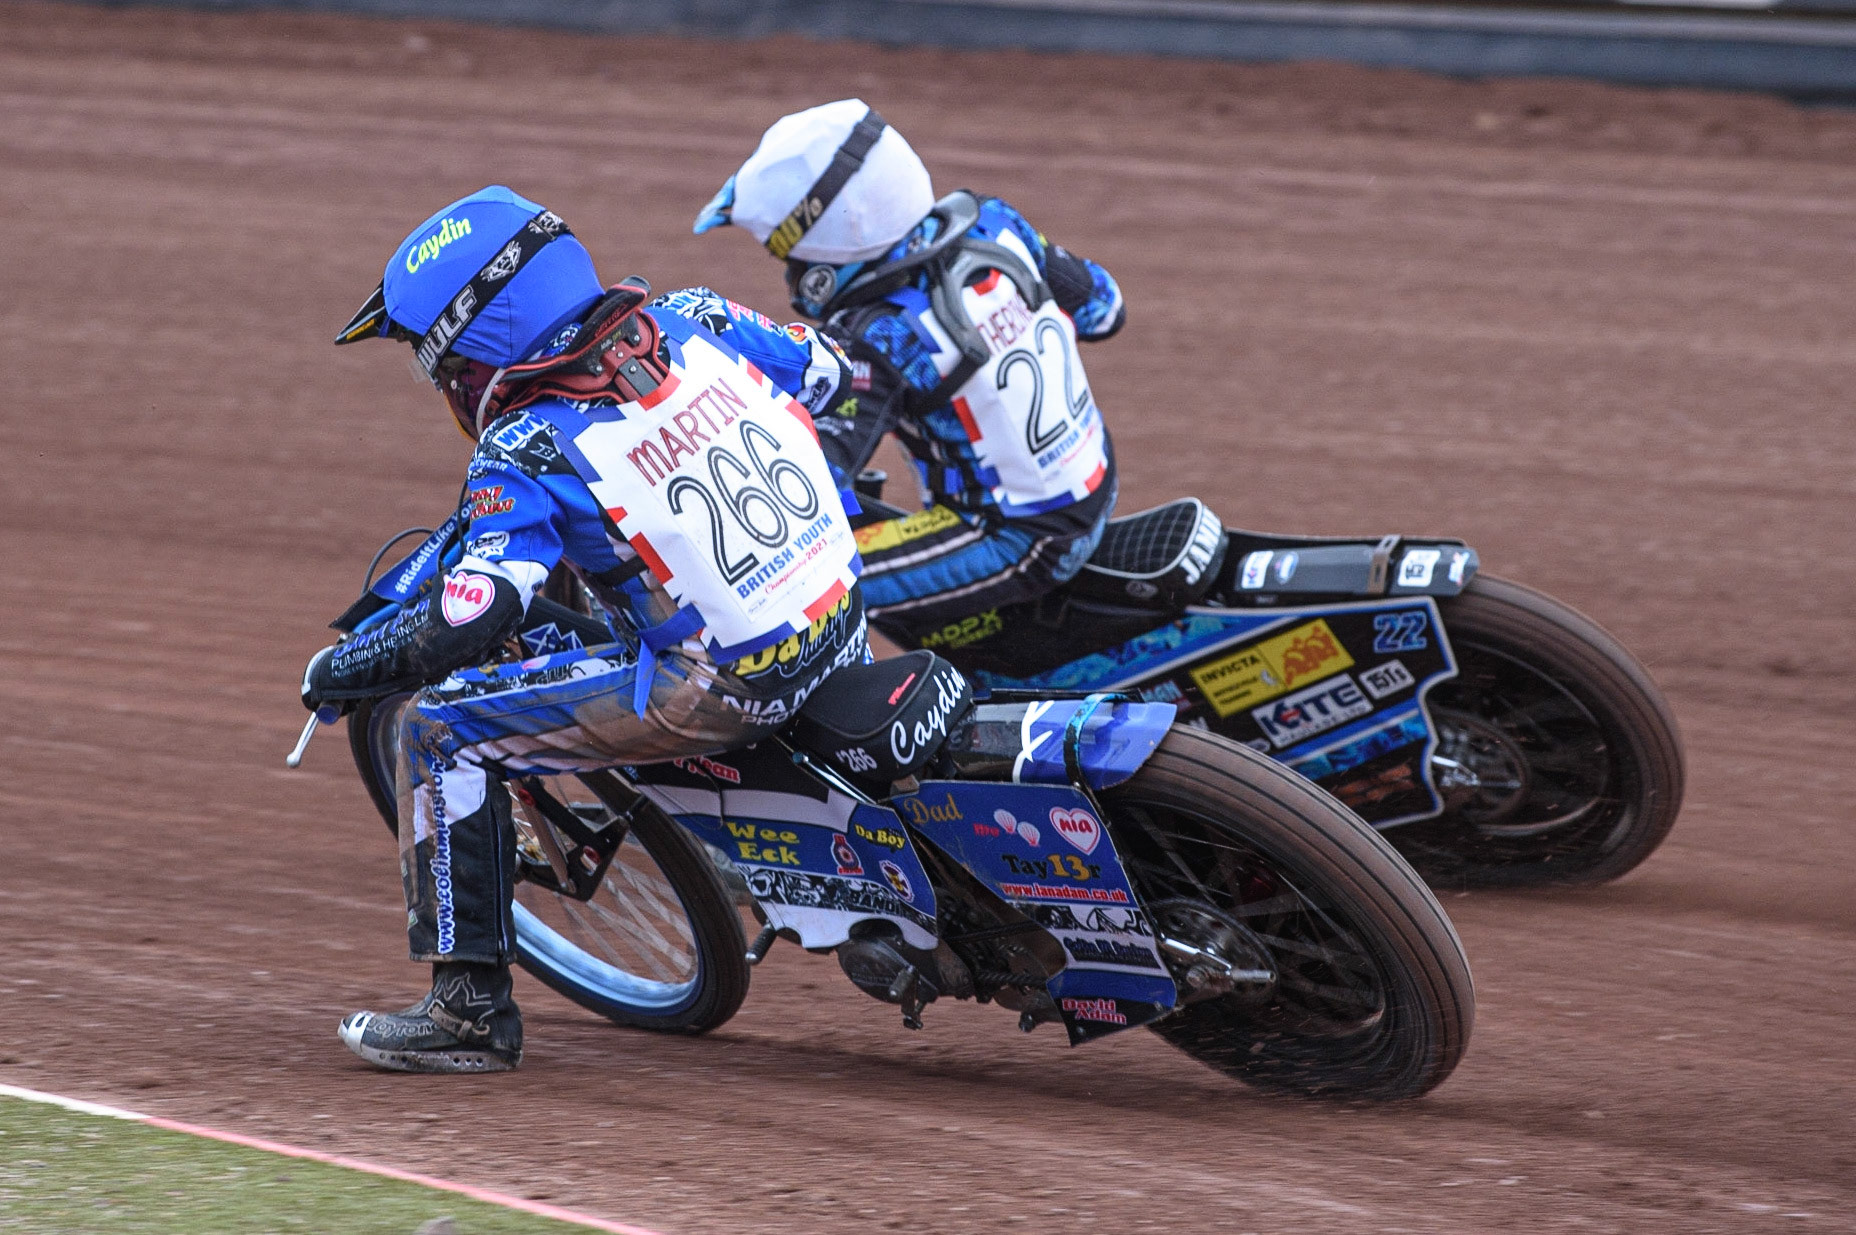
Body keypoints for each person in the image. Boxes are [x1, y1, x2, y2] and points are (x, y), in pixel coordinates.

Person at [302, 186, 867, 1073]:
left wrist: (349, 665)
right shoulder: (696, 316)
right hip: (840, 616)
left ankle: (468, 1013)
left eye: (443, 365)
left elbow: (473, 613)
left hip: (726, 684)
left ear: (479, 349)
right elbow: (831, 375)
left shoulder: (523, 446)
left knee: (438, 730)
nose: (448, 388)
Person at [694, 99, 1127, 642]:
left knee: (786, 588)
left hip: (1017, 538)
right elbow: (1105, 310)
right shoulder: (996, 222)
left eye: (788, 256)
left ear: (827, 238)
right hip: (1095, 481)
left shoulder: (878, 334)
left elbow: (808, 486)